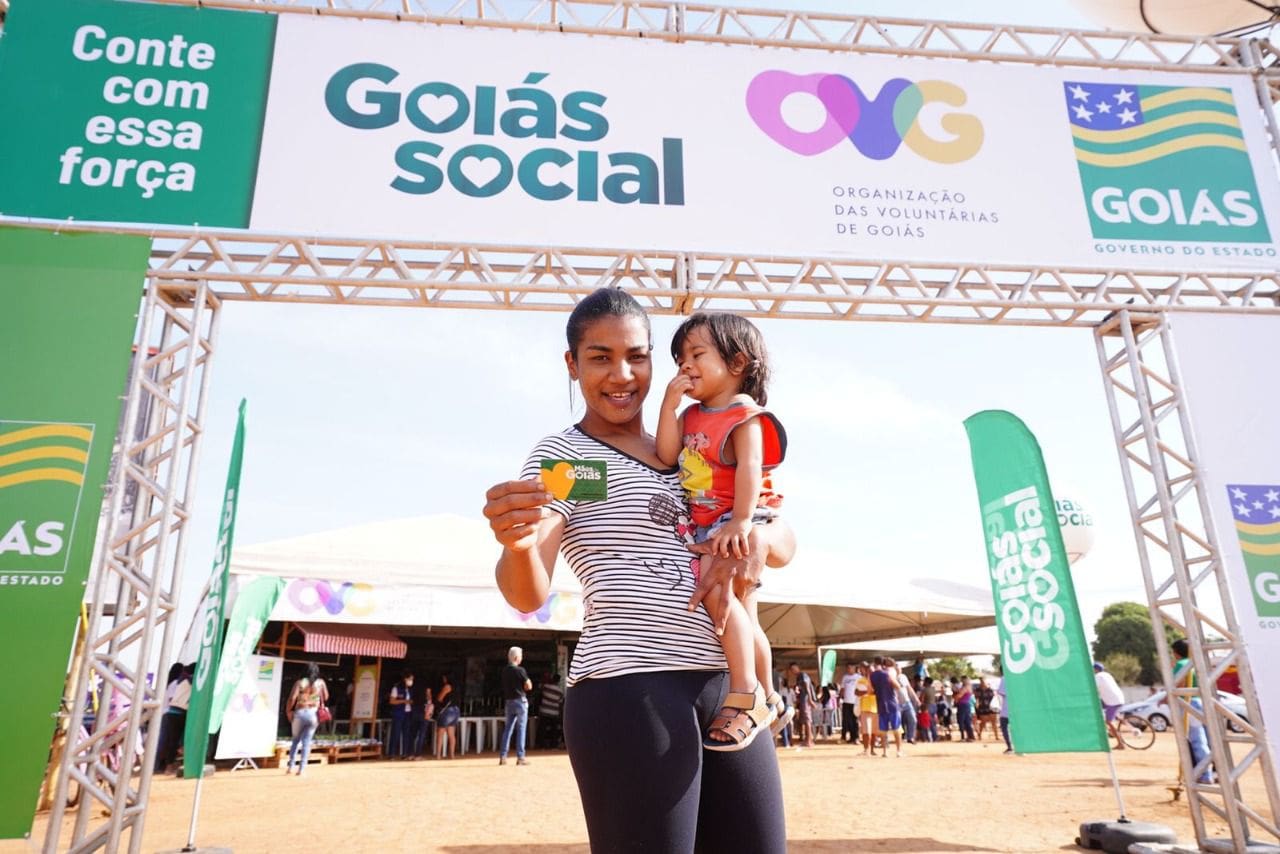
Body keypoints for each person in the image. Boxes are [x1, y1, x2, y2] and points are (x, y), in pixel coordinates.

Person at [483, 287, 795, 851]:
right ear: (572, 364)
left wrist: (759, 536)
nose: (622, 374)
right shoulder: (570, 460)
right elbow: (527, 593)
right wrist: (518, 544)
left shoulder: (692, 446)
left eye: (637, 356)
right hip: (631, 688)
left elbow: (784, 542)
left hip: (730, 688)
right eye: (600, 357)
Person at [656, 311, 788, 751]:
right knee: (745, 615)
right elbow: (667, 454)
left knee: (720, 597)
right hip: (714, 524)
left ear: (737, 363)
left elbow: (750, 467)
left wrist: (742, 521)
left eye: (697, 354)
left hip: (740, 519)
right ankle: (769, 695)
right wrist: (668, 407)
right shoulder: (691, 415)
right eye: (680, 359)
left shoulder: (745, 414)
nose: (686, 366)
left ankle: (746, 692)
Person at [1170, 639, 1214, 783]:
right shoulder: (1197, 663)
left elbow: (1178, 685)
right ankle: (1214, 772)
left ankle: (1205, 775)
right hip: (1203, 702)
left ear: (1175, 652)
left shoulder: (1181, 664)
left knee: (1197, 741)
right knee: (1209, 740)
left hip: (1189, 703)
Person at [285, 662, 328, 776]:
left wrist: (288, 711)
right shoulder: (320, 683)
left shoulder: (300, 682)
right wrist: (315, 697)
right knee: (306, 742)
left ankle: (290, 767)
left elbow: (292, 698)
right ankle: (302, 769)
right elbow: (326, 697)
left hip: (300, 713)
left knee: (295, 741)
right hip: (313, 714)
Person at [498, 646, 533, 765]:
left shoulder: (504, 671)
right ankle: (520, 757)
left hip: (509, 701)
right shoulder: (520, 670)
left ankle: (503, 756)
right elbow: (529, 685)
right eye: (521, 656)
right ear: (516, 657)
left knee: (508, 729)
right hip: (520, 701)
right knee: (521, 728)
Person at [153, 663, 191, 773]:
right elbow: (172, 699)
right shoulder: (179, 683)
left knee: (166, 741)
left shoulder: (172, 683)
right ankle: (164, 765)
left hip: (167, 714)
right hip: (173, 713)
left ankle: (160, 765)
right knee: (170, 741)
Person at [870, 657, 903, 757]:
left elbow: (871, 690)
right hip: (892, 703)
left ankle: (885, 752)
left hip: (880, 704)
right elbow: (897, 686)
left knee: (883, 730)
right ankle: (899, 751)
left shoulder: (872, 675)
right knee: (896, 729)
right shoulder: (887, 674)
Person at [1093, 662, 1127, 750]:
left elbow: (1093, 688)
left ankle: (1120, 744)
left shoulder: (1098, 677)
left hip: (1112, 701)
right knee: (1097, 705)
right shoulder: (1107, 675)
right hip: (1116, 698)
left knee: (1109, 721)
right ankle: (1116, 718)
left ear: (1095, 669)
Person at [789, 663, 818, 749]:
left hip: (806, 699)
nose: (793, 671)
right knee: (805, 720)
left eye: (794, 668)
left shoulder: (802, 675)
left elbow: (807, 686)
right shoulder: (799, 677)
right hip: (803, 700)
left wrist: (810, 699)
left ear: (798, 667)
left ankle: (809, 741)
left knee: (807, 720)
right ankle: (808, 739)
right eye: (792, 669)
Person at [387, 671, 415, 759]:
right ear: (405, 679)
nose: (411, 681)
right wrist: (404, 701)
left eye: (412, 679)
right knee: (396, 733)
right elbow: (392, 701)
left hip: (408, 713)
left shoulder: (410, 689)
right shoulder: (396, 688)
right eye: (410, 679)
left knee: (406, 734)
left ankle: (405, 754)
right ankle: (391, 754)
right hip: (398, 713)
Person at [434, 674, 459, 759]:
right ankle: (452, 755)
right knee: (451, 734)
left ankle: (438, 755)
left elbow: (440, 698)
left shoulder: (447, 686)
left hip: (447, 710)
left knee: (440, 733)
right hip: (456, 710)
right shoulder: (457, 687)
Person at [857, 662, 879, 755]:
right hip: (865, 708)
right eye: (869, 671)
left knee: (874, 732)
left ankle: (872, 750)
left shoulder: (877, 681)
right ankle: (866, 749)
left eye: (872, 671)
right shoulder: (861, 680)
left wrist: (870, 692)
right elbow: (857, 692)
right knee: (866, 731)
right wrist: (868, 692)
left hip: (876, 708)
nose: (871, 672)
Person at [538, 673, 564, 749]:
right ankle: (554, 745)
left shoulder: (546, 687)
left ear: (552, 679)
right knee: (554, 730)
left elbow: (539, 686)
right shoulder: (560, 691)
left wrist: (547, 679)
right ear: (558, 681)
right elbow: (560, 703)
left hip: (544, 711)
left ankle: (542, 745)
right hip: (554, 713)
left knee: (542, 729)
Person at [839, 663, 861, 745]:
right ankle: (845, 737)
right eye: (847, 668)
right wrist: (839, 698)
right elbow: (842, 688)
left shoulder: (859, 677)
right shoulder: (845, 677)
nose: (848, 669)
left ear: (854, 668)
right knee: (846, 720)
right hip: (846, 701)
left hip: (855, 701)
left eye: (850, 668)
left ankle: (856, 737)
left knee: (854, 720)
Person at [974, 677, 997, 741]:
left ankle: (996, 736)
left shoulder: (990, 689)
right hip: (982, 708)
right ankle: (979, 734)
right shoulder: (977, 690)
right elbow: (976, 699)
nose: (982, 683)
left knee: (994, 722)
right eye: (981, 681)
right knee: (983, 722)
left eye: (983, 681)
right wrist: (976, 707)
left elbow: (994, 698)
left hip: (991, 707)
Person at [954, 677, 975, 742]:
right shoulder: (969, 687)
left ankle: (963, 737)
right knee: (967, 721)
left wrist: (955, 696)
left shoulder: (965, 687)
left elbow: (959, 696)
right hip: (966, 705)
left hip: (962, 705)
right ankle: (970, 736)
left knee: (961, 721)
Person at [997, 676, 1014, 754]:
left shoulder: (1004, 678)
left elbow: (1001, 692)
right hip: (1017, 709)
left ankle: (1010, 747)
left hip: (1006, 709)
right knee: (1017, 729)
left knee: (1005, 728)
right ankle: (1021, 746)